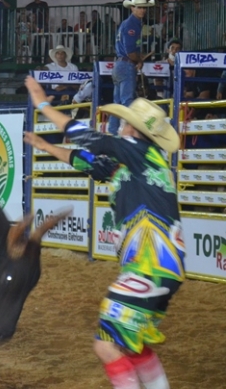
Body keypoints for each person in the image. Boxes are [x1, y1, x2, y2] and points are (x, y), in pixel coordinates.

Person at [24, 75, 184, 389]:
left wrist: (43, 104)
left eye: (123, 123)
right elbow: (90, 162)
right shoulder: (141, 163)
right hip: (164, 267)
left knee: (106, 345)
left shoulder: (137, 152)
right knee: (132, 345)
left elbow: (88, 138)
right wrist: (46, 146)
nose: (118, 126)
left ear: (133, 131)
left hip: (148, 266)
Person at [110, 0, 155, 135]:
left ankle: (113, 133)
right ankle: (129, 133)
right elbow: (130, 53)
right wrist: (139, 59)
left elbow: (128, 50)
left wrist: (137, 57)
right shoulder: (132, 25)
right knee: (127, 100)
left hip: (119, 64)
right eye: (139, 7)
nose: (142, 10)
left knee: (118, 103)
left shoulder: (128, 23)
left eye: (144, 7)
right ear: (132, 8)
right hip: (126, 65)